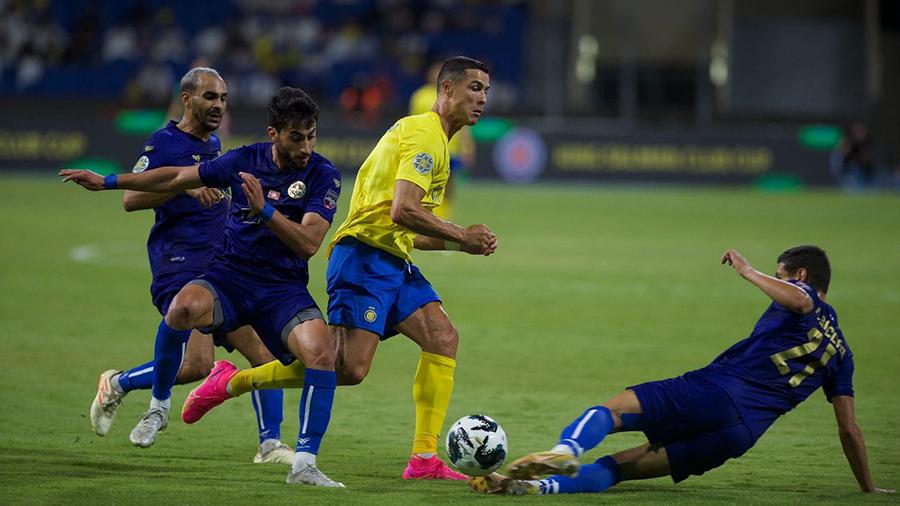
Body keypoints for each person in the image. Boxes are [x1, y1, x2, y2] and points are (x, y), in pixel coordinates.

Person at [179, 56, 498, 481]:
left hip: (391, 255)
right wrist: (462, 234)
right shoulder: (424, 135)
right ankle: (232, 382)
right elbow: (405, 210)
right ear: (447, 90)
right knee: (347, 369)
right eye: (474, 88)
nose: (482, 98)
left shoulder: (436, 139)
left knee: (443, 337)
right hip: (363, 257)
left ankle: (424, 461)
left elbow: (400, 223)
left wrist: (462, 247)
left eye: (486, 91)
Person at [61, 87, 345, 487]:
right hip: (229, 276)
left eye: (311, 135)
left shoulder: (323, 174)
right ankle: (159, 408)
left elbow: (309, 243)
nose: (306, 146)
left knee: (321, 354)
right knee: (181, 310)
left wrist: (264, 209)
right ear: (274, 133)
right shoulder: (245, 158)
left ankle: (303, 463)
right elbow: (177, 175)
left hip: (282, 286)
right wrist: (108, 181)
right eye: (297, 137)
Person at [471, 246, 894, 496]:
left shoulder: (803, 296)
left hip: (715, 392)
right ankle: (533, 488)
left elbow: (802, 302)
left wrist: (749, 272)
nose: (777, 282)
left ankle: (566, 452)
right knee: (620, 469)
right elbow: (849, 429)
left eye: (781, 274)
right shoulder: (843, 353)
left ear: (800, 276)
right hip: (738, 436)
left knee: (613, 411)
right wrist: (868, 488)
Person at [89, 66, 293, 464]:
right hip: (181, 265)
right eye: (210, 97)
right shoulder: (164, 142)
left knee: (267, 354)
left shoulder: (215, 144)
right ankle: (117, 383)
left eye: (223, 99)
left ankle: (270, 445)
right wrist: (185, 186)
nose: (218, 105)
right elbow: (130, 199)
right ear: (187, 99)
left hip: (224, 266)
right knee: (197, 364)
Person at [408, 61, 475, 220]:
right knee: (424, 184)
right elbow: (412, 122)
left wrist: (467, 148)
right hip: (427, 148)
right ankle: (425, 217)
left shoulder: (455, 95)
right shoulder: (420, 96)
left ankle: (444, 216)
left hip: (450, 149)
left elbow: (464, 124)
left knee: (449, 186)